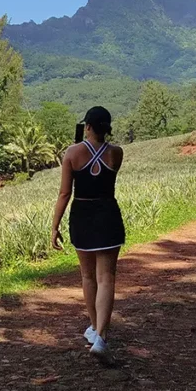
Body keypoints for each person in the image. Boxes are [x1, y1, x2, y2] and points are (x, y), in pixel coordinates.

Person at [50, 106, 125, 364]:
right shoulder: (117, 153)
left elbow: (64, 194)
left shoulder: (71, 153)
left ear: (88, 126)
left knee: (87, 275)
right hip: (108, 214)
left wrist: (54, 226)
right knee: (107, 278)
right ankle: (102, 337)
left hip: (82, 214)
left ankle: (94, 329)